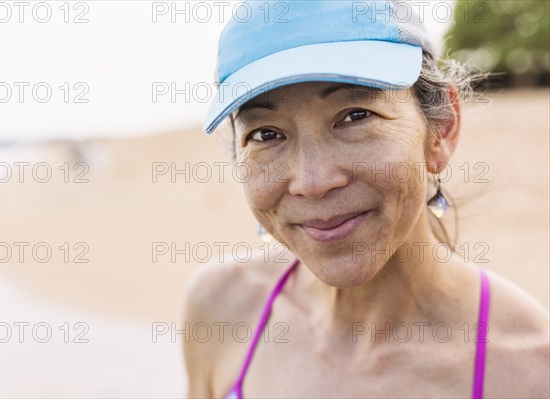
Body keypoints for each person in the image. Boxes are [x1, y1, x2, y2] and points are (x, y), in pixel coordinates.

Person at [183, 1, 550, 398]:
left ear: (442, 128)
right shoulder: (222, 309)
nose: (313, 182)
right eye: (267, 134)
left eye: (355, 115)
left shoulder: (529, 374)